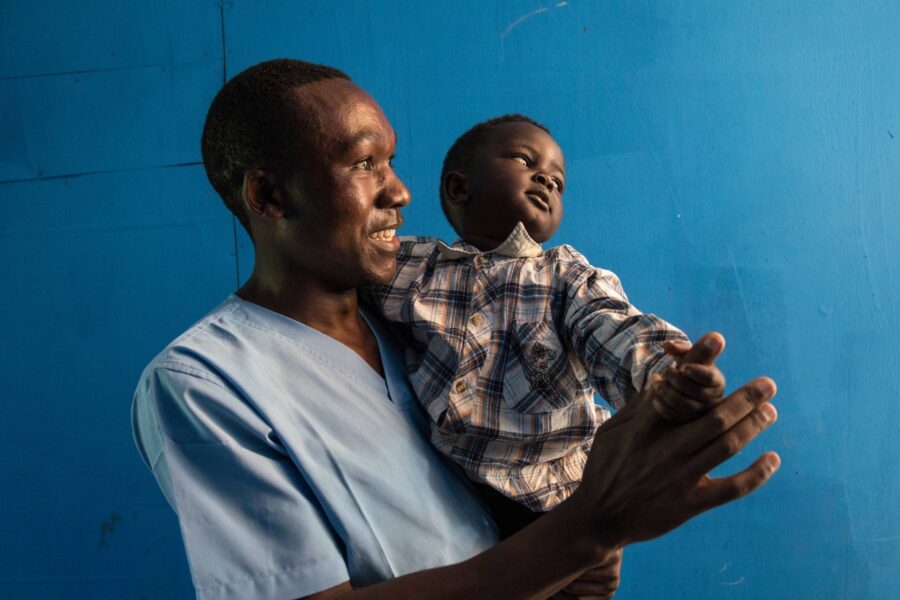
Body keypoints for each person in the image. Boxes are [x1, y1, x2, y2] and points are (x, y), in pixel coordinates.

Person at [132, 58, 781, 600]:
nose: (400, 192)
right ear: (270, 197)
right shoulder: (205, 384)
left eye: (392, 161)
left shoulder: (419, 325)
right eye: (364, 165)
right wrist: (590, 526)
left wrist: (581, 536)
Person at [367, 114, 727, 536]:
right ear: (459, 187)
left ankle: (585, 565)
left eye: (557, 182)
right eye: (525, 161)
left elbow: (612, 326)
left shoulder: (565, 278)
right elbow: (344, 277)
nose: (546, 181)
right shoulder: (413, 265)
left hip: (550, 496)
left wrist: (665, 373)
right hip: (441, 486)